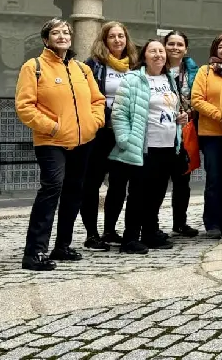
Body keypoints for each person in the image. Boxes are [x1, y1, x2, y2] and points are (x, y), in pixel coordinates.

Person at [15, 18, 105, 270]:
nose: (63, 36)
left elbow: (97, 101)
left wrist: (94, 122)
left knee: (74, 192)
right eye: (56, 33)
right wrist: (53, 127)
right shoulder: (34, 67)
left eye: (66, 32)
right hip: (50, 141)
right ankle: (34, 252)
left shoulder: (81, 69)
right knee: (51, 189)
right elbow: (25, 107)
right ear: (46, 39)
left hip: (83, 140)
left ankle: (62, 246)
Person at [109, 39, 186, 254]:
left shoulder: (169, 78)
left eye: (161, 51)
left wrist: (181, 118)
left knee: (158, 193)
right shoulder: (133, 79)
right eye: (153, 51)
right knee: (139, 193)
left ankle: (150, 233)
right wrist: (125, 139)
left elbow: (172, 108)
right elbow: (119, 113)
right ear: (145, 55)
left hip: (168, 145)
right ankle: (130, 238)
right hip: (144, 146)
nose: (159, 55)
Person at [81, 21, 138, 251]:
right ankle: (91, 234)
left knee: (119, 184)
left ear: (127, 40)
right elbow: (89, 97)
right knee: (92, 183)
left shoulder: (134, 65)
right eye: (112, 36)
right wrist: (106, 116)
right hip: (100, 132)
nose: (117, 40)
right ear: (104, 41)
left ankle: (110, 230)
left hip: (124, 134)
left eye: (121, 36)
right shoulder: (93, 65)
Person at [191, 33, 222, 239]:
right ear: (215, 50)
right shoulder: (205, 71)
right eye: (221, 47)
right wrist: (221, 115)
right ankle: (212, 222)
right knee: (214, 178)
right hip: (211, 134)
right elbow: (197, 100)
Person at [162, 30, 198, 238]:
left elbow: (199, 96)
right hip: (160, 131)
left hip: (185, 131)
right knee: (157, 181)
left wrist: (189, 113)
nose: (175, 48)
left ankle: (180, 223)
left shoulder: (193, 71)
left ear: (186, 49)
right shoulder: (155, 68)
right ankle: (151, 223)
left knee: (182, 180)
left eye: (179, 44)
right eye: (171, 44)